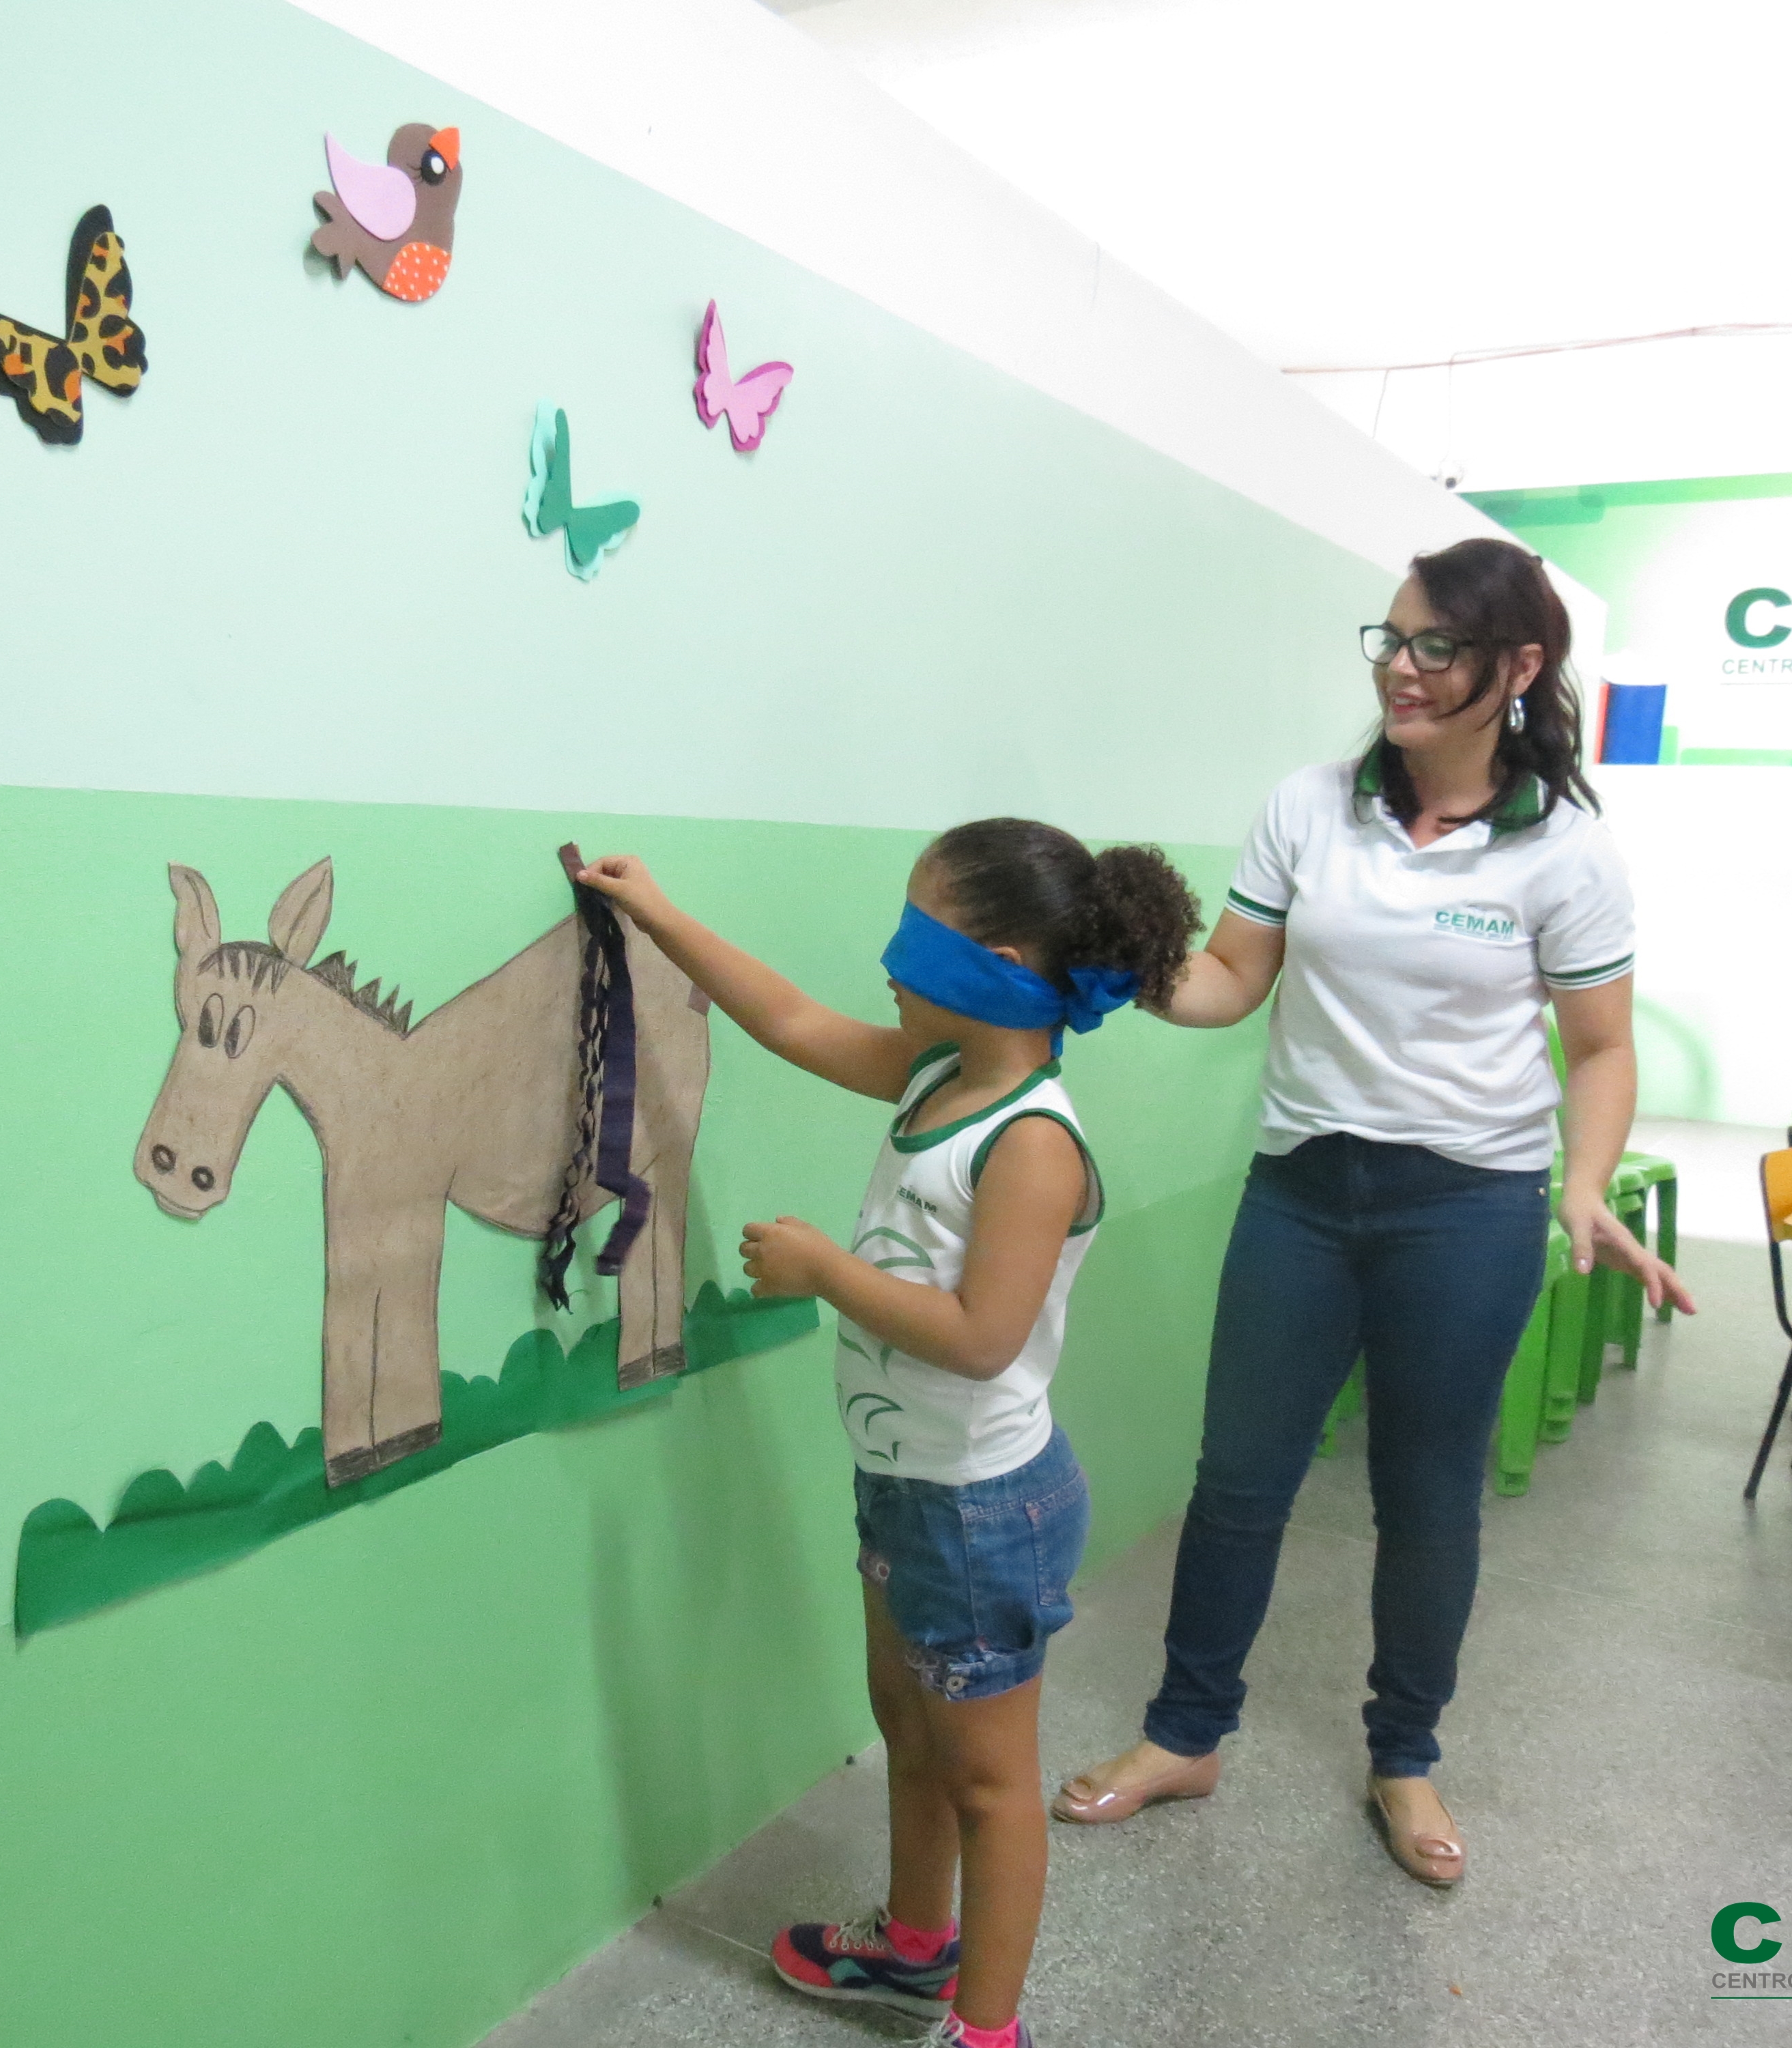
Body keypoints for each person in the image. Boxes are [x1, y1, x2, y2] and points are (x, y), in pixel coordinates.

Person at [1050, 537, 1696, 1886]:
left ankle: (1402, 1756)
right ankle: (1184, 1733)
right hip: (1301, 1192)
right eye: (1389, 641)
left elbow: (1600, 1049)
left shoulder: (1566, 853)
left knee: (1426, 1494)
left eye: (1434, 648)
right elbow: (1233, 979)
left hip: (1463, 1207)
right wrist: (1128, 970)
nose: (1399, 670)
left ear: (1517, 667)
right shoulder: (1308, 807)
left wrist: (1577, 1184)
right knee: (1236, 1481)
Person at [578, 821, 1199, 2048]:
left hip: (982, 1509)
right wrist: (658, 915)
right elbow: (799, 1024)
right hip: (908, 1488)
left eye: (916, 932)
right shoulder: (934, 1074)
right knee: (909, 1730)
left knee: (989, 1782)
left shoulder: (1030, 1142)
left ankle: (989, 2032)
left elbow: (979, 1335)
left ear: (1002, 960)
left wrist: (823, 1271)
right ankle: (915, 1954)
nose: (889, 958)